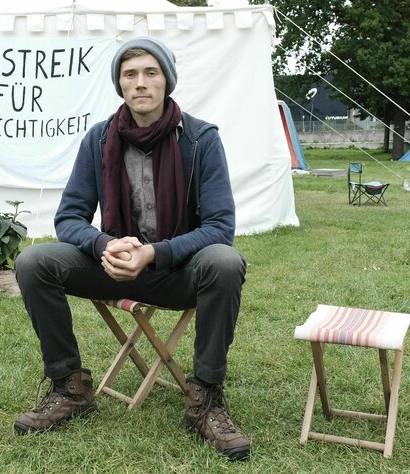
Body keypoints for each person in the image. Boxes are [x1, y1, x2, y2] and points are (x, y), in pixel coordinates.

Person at [13, 37, 250, 461]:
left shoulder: (201, 139)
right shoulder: (99, 138)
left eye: (150, 72)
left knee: (225, 261)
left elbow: (220, 228)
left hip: (177, 271)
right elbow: (69, 217)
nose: (140, 83)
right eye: (130, 74)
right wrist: (105, 244)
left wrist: (154, 253)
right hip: (113, 268)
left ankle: (206, 398)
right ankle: (70, 387)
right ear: (120, 84)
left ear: (167, 81)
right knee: (33, 261)